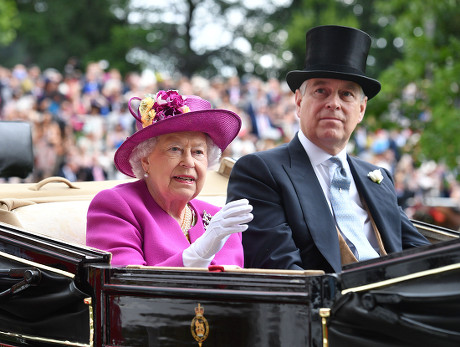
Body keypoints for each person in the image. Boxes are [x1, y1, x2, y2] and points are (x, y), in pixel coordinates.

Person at [226, 25, 430, 273]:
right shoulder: (260, 172)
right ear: (299, 102)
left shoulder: (378, 178)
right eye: (321, 91)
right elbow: (284, 274)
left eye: (346, 94)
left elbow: (423, 257)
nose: (334, 104)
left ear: (361, 110)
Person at [86, 90, 253, 267]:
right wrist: (196, 256)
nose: (188, 162)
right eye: (174, 149)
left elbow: (235, 288)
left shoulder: (219, 219)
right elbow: (123, 284)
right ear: (145, 160)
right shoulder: (117, 205)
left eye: (198, 152)